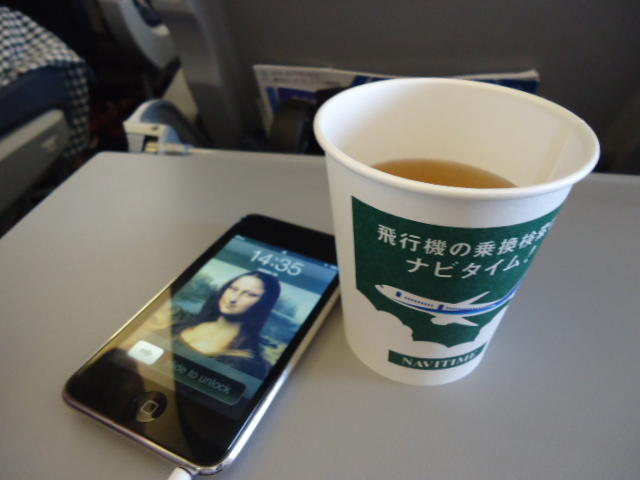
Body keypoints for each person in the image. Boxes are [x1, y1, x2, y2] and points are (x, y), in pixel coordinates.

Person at [174, 271, 281, 379]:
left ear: (264, 303)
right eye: (233, 289)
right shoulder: (186, 322)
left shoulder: (245, 361)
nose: (233, 299)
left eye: (250, 295)